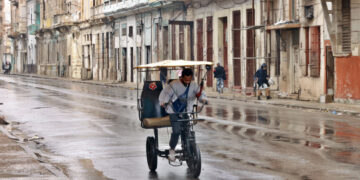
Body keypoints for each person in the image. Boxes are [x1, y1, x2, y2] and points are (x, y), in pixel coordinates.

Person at [159, 68, 207, 162]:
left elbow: (200, 94)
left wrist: (203, 99)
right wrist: (164, 102)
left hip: (186, 111)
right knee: (176, 131)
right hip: (174, 111)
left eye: (189, 80)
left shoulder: (194, 85)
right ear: (182, 77)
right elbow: (164, 95)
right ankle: (172, 150)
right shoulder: (174, 85)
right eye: (185, 80)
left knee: (188, 129)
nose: (187, 82)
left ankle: (188, 146)